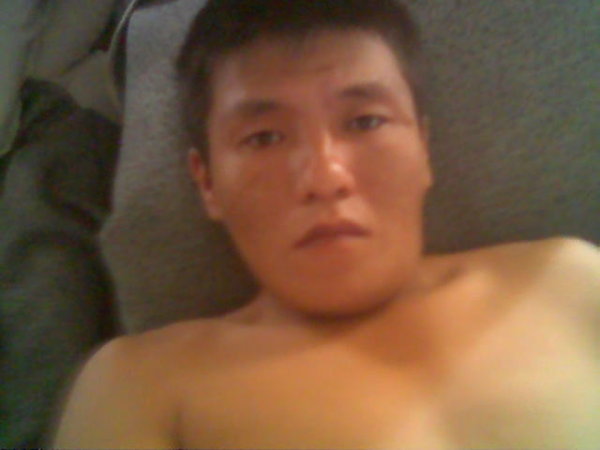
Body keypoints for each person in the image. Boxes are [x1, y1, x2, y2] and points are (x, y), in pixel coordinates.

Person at [53, 0, 600, 448]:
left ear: (423, 148)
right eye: (264, 137)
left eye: (366, 121)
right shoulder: (141, 385)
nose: (325, 177)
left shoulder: (569, 281)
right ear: (208, 183)